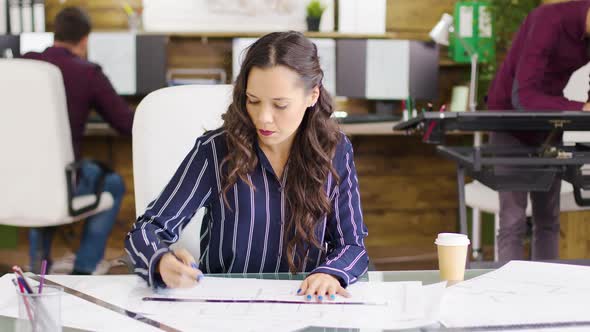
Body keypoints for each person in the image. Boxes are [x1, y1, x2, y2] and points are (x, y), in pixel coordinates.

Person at [125, 31, 368, 300]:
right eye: (253, 101)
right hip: (226, 308)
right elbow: (146, 230)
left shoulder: (336, 150)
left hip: (304, 303)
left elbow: (352, 245)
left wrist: (330, 273)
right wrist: (160, 261)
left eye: (280, 105)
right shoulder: (215, 151)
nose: (263, 118)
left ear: (312, 96)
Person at [23, 7, 134, 274]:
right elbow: (126, 124)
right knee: (112, 182)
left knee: (41, 178)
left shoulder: (23, 64)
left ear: (55, 34)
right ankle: (85, 266)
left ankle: (39, 264)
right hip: (60, 182)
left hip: (17, 178)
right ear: (85, 40)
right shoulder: (87, 73)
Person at [486, 0, 590, 261]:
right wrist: (581, 107)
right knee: (513, 221)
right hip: (509, 122)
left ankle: (547, 292)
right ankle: (506, 296)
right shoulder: (549, 20)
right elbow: (524, 98)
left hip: (549, 127)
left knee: (548, 221)